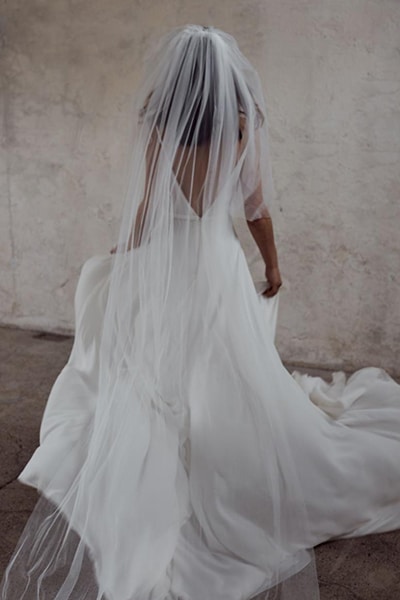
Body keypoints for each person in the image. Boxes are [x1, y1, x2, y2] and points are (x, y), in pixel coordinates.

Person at [1, 24, 400, 600]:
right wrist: (273, 266)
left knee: (162, 361)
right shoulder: (241, 124)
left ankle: (181, 452)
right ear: (225, 76)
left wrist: (125, 252)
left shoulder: (160, 122)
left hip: (168, 261)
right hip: (216, 264)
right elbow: (256, 208)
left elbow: (147, 204)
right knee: (225, 370)